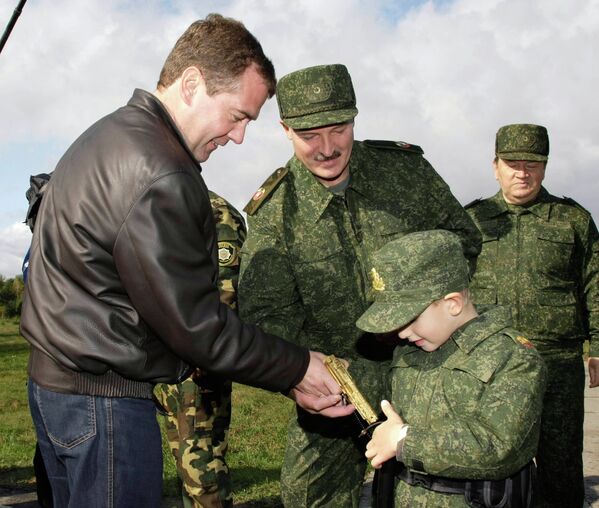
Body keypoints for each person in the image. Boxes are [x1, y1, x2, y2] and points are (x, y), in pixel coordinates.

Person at [20, 15, 352, 508]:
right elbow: (198, 326)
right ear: (193, 83)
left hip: (55, 388)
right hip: (103, 405)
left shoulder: (108, 134)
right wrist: (301, 366)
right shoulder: (162, 172)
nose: (238, 137)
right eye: (238, 116)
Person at [238, 63, 482, 507]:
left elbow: (463, 241)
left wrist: (432, 319)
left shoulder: (404, 174)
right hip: (338, 391)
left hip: (431, 370)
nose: (328, 148)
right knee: (309, 495)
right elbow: (265, 315)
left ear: (355, 118)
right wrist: (300, 378)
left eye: (340, 128)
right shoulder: (276, 212)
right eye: (311, 135)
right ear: (285, 130)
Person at [358, 230, 546, 507]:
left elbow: (499, 446)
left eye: (409, 318)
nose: (401, 332)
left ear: (453, 304)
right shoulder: (411, 351)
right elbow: (387, 400)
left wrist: (403, 441)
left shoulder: (514, 358)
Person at [465, 124, 599, 508]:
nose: (522, 172)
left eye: (533, 163)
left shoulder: (572, 220)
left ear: (545, 167)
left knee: (560, 463)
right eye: (512, 163)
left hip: (556, 362)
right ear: (496, 167)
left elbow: (595, 282)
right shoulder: (473, 220)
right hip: (492, 363)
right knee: (490, 458)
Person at [155, 191, 245, 508]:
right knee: (190, 456)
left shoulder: (216, 214)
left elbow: (225, 294)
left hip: (196, 362)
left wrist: (203, 354)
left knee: (202, 463)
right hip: (167, 358)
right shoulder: (161, 204)